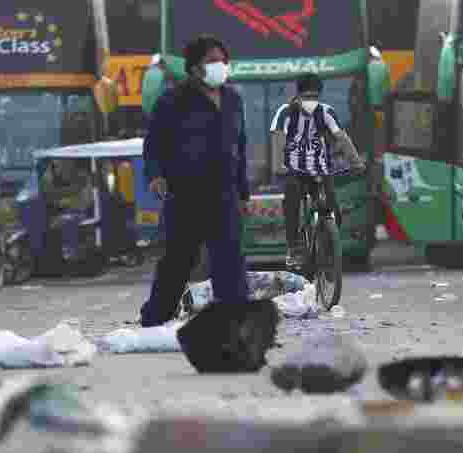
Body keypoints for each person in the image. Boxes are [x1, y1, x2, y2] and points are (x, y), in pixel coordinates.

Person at [138, 34, 250, 327]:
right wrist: (155, 175)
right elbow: (153, 144)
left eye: (223, 60)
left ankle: (236, 320)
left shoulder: (233, 99)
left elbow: (240, 145)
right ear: (194, 68)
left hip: (224, 193)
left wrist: (243, 194)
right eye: (212, 61)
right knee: (178, 261)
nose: (220, 66)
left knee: (230, 261)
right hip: (186, 193)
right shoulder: (172, 101)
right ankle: (154, 317)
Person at [270, 73, 365, 270]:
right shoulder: (297, 112)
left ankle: (311, 248)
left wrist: (355, 162)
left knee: (314, 208)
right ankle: (305, 247)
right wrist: (356, 163)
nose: (311, 100)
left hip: (308, 170)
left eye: (313, 95)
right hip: (307, 171)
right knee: (309, 205)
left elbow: (341, 137)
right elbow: (278, 137)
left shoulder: (310, 112)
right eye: (310, 95)